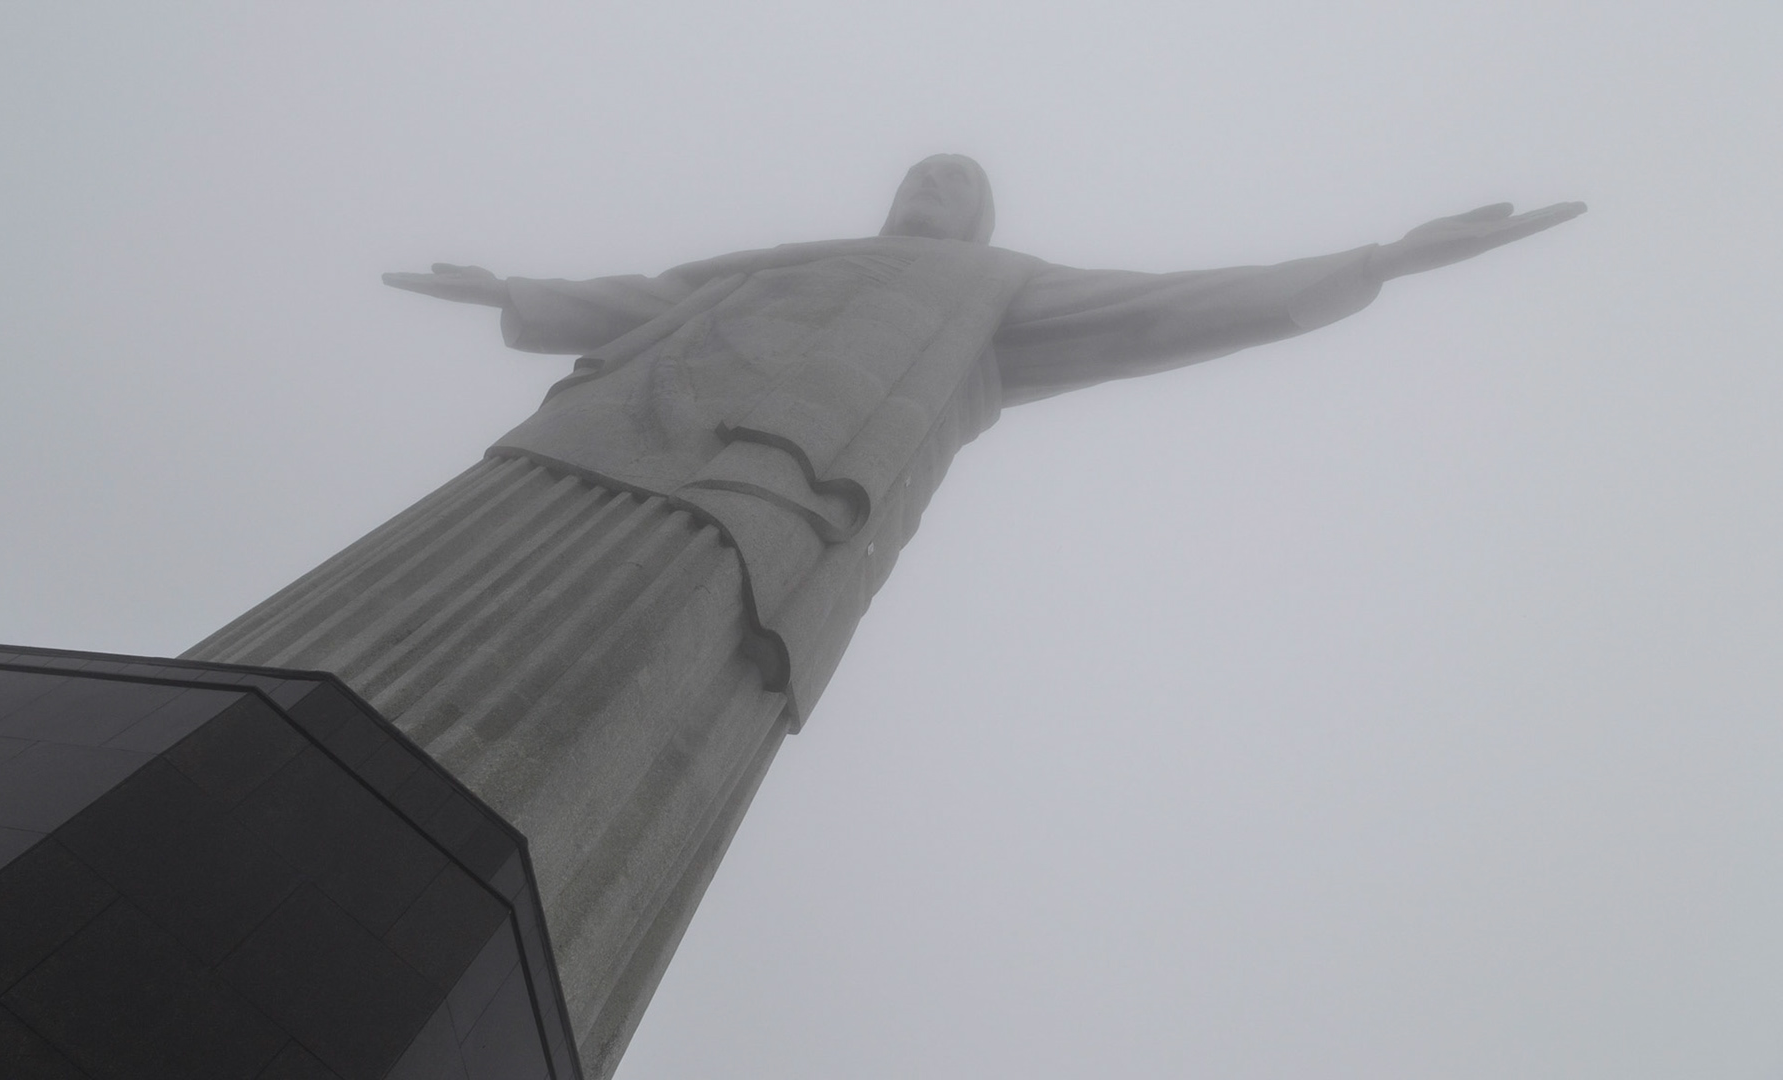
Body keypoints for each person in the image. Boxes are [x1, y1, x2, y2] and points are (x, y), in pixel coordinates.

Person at [189, 155, 1582, 1077]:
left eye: (954, 183)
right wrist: (509, 293)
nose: (930, 189)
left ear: (976, 219)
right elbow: (644, 299)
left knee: (596, 728)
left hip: (757, 504)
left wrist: (1385, 258)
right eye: (919, 174)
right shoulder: (785, 252)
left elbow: (1180, 307)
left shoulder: (999, 289)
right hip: (576, 450)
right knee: (339, 651)